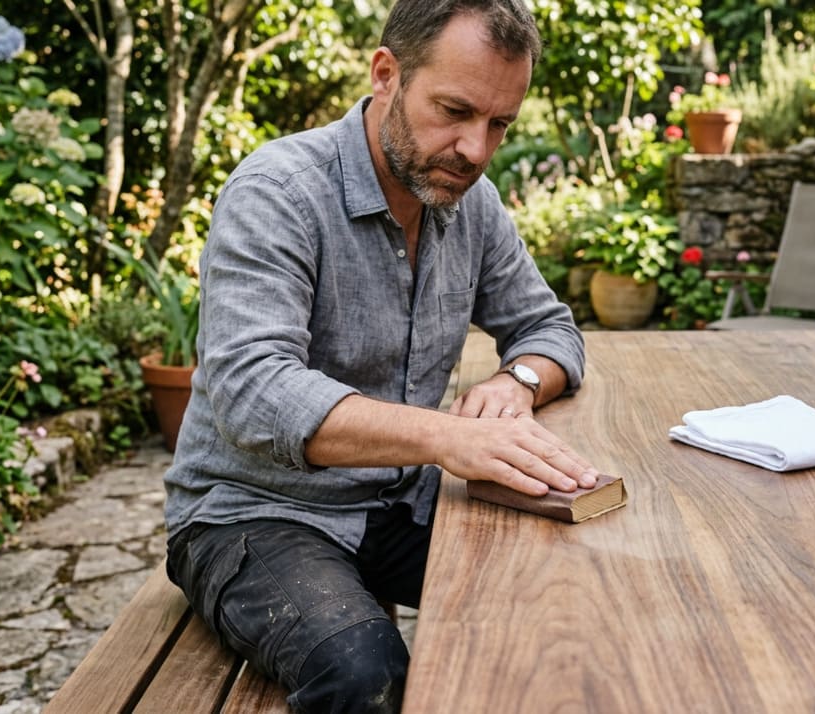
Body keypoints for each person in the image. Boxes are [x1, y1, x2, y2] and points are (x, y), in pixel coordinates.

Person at [162, 1, 598, 712]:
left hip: (395, 501)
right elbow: (253, 392)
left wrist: (518, 381)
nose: (476, 149)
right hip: (254, 513)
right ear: (387, 74)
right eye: (454, 110)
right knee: (368, 676)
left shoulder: (471, 201)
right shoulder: (277, 191)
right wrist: (450, 436)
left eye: (499, 124)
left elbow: (550, 329)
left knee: (567, 592)